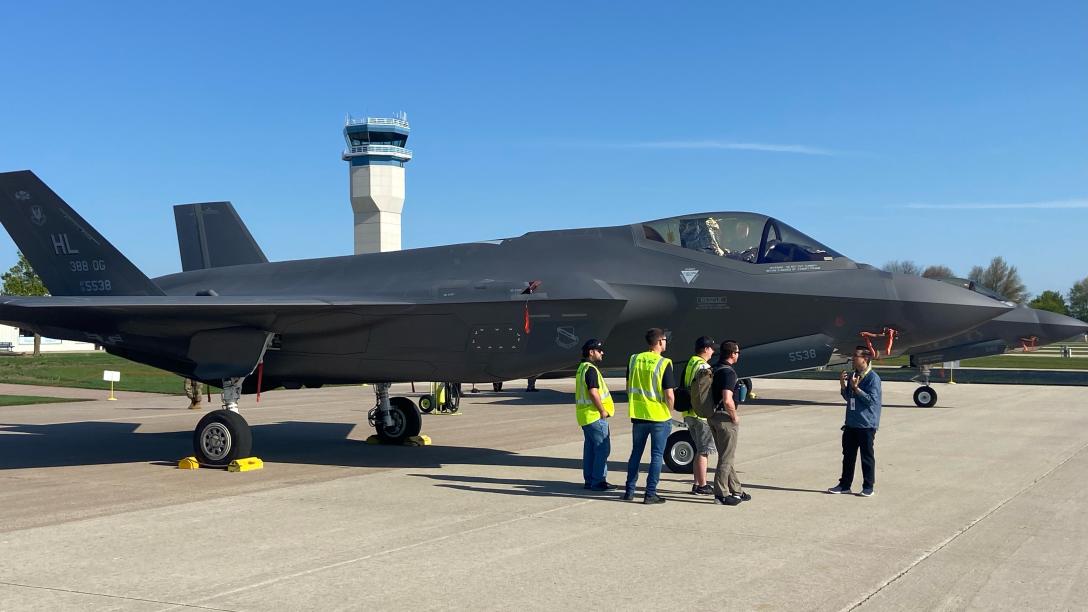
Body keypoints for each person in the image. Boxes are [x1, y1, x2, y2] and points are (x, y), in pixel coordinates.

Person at [624, 328, 677, 504]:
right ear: (660, 342)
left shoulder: (634, 359)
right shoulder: (664, 363)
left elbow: (628, 385)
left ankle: (629, 491)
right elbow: (669, 394)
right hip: (659, 417)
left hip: (638, 415)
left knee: (635, 453)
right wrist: (670, 411)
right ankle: (650, 493)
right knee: (656, 455)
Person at [828, 347, 883, 497]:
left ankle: (868, 487)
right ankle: (845, 485)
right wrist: (842, 385)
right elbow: (849, 398)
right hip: (851, 423)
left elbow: (871, 401)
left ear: (865, 358)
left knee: (866, 457)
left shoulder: (873, 378)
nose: (853, 358)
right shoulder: (854, 375)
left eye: (855, 356)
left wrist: (857, 388)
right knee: (848, 456)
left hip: (866, 424)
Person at [709, 340, 750, 506]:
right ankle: (721, 494)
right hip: (725, 418)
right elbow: (727, 399)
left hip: (712, 416)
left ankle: (736, 489)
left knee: (726, 455)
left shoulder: (714, 369)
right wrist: (734, 416)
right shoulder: (729, 373)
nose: (738, 355)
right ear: (732, 354)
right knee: (726, 458)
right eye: (738, 352)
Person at [575, 339, 616, 491]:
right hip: (594, 415)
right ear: (591, 352)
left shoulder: (581, 368)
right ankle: (598, 481)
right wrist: (602, 410)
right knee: (602, 449)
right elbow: (593, 392)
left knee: (590, 449)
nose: (602, 352)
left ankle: (589, 479)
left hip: (584, 416)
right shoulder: (591, 369)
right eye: (599, 350)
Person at [682, 336, 716, 494]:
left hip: (688, 412)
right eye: (712, 348)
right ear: (706, 349)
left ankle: (696, 483)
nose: (713, 351)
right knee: (703, 451)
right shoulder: (703, 366)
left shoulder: (691, 363)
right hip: (700, 415)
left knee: (698, 450)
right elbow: (705, 391)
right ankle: (702, 485)